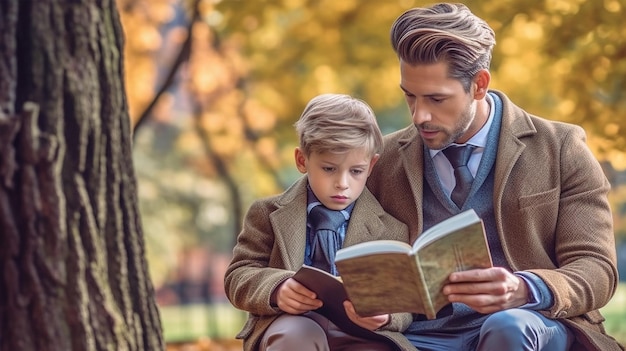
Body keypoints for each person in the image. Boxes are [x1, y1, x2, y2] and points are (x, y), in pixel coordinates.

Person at [366, 3, 624, 351]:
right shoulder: (382, 159)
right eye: (409, 95)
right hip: (416, 334)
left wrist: (524, 288)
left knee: (508, 326)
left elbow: (597, 271)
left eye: (436, 98)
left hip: (527, 323)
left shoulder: (561, 148)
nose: (419, 114)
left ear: (479, 85)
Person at [224, 93, 416, 351]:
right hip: (292, 324)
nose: (342, 183)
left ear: (371, 166)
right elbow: (238, 275)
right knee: (296, 335)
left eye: (356, 171)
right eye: (329, 169)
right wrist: (277, 289)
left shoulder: (392, 229)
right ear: (302, 160)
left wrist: (387, 316)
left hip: (362, 333)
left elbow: (405, 301)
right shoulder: (266, 213)